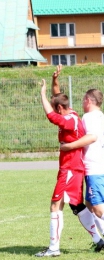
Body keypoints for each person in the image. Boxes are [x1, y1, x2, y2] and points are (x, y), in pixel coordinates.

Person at [35, 67, 104, 257]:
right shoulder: (70, 112)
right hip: (72, 168)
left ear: (59, 109)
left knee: (55, 205)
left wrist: (41, 93)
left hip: (71, 169)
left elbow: (51, 115)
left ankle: (53, 248)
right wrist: (54, 81)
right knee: (77, 206)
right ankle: (98, 240)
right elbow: (58, 98)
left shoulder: (70, 120)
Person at [60, 88, 104, 225]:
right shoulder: (100, 116)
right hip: (98, 166)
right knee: (89, 206)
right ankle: (100, 240)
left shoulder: (89, 117)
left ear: (89, 101)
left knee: (97, 208)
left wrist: (69, 146)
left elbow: (92, 137)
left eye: (83, 100)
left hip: (94, 169)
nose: (82, 103)